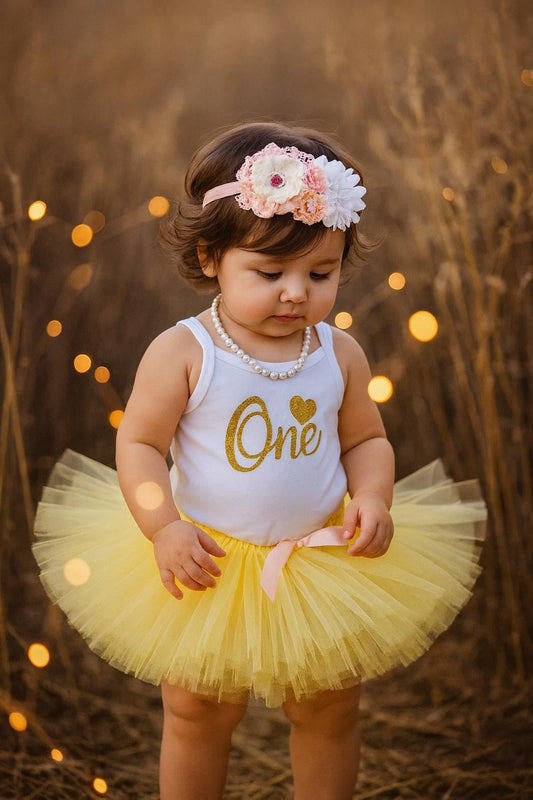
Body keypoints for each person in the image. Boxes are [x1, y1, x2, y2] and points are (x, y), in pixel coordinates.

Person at [33, 122, 487, 800]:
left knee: (328, 710)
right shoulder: (185, 352)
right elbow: (139, 446)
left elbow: (365, 440)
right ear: (213, 257)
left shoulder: (337, 354)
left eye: (320, 273)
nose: (296, 293)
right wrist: (164, 527)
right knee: (196, 711)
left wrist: (373, 496)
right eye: (269, 273)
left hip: (318, 561)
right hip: (206, 561)